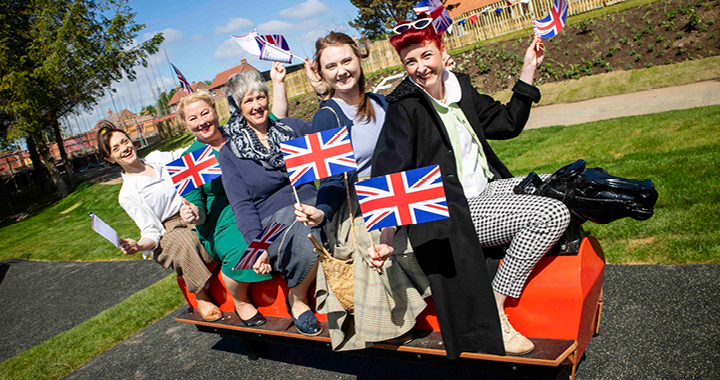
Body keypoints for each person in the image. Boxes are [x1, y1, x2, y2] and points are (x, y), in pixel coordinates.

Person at [370, 16, 571, 358]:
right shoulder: (404, 107)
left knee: (559, 186)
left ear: (441, 50)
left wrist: (528, 70)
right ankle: (495, 307)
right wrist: (385, 240)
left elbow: (508, 124)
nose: (420, 67)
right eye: (410, 62)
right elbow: (388, 175)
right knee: (552, 213)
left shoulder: (459, 87)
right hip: (451, 211)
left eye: (426, 56)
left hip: (486, 190)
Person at [293, 31, 431, 350]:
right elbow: (330, 181)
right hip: (356, 202)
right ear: (322, 72)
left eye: (346, 60)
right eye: (331, 66)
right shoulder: (326, 117)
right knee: (380, 244)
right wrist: (321, 212)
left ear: (359, 59)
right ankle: (388, 322)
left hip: (397, 189)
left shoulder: (382, 102)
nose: (341, 71)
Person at [174, 62, 290, 327]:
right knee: (247, 247)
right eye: (193, 119)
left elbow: (277, 120)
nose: (202, 122)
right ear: (186, 124)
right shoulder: (189, 159)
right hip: (222, 220)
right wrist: (192, 213)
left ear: (215, 112)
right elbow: (199, 213)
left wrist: (278, 83)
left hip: (258, 203)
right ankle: (238, 296)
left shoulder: (238, 133)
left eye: (205, 113)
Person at [218, 69, 322, 337]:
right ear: (238, 108)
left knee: (329, 220)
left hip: (312, 203)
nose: (257, 105)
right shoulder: (231, 153)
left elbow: (330, 132)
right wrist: (256, 246)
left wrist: (322, 91)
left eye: (261, 97)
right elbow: (242, 205)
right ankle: (297, 298)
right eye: (248, 101)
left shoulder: (292, 129)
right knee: (308, 231)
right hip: (272, 222)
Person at [97, 121, 222, 322]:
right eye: (116, 148)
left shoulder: (157, 159)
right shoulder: (128, 193)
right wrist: (138, 246)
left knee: (224, 215)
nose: (124, 148)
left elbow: (185, 153)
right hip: (170, 229)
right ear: (109, 158)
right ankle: (202, 295)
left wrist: (202, 130)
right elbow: (150, 231)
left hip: (193, 206)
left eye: (125, 141)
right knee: (185, 242)